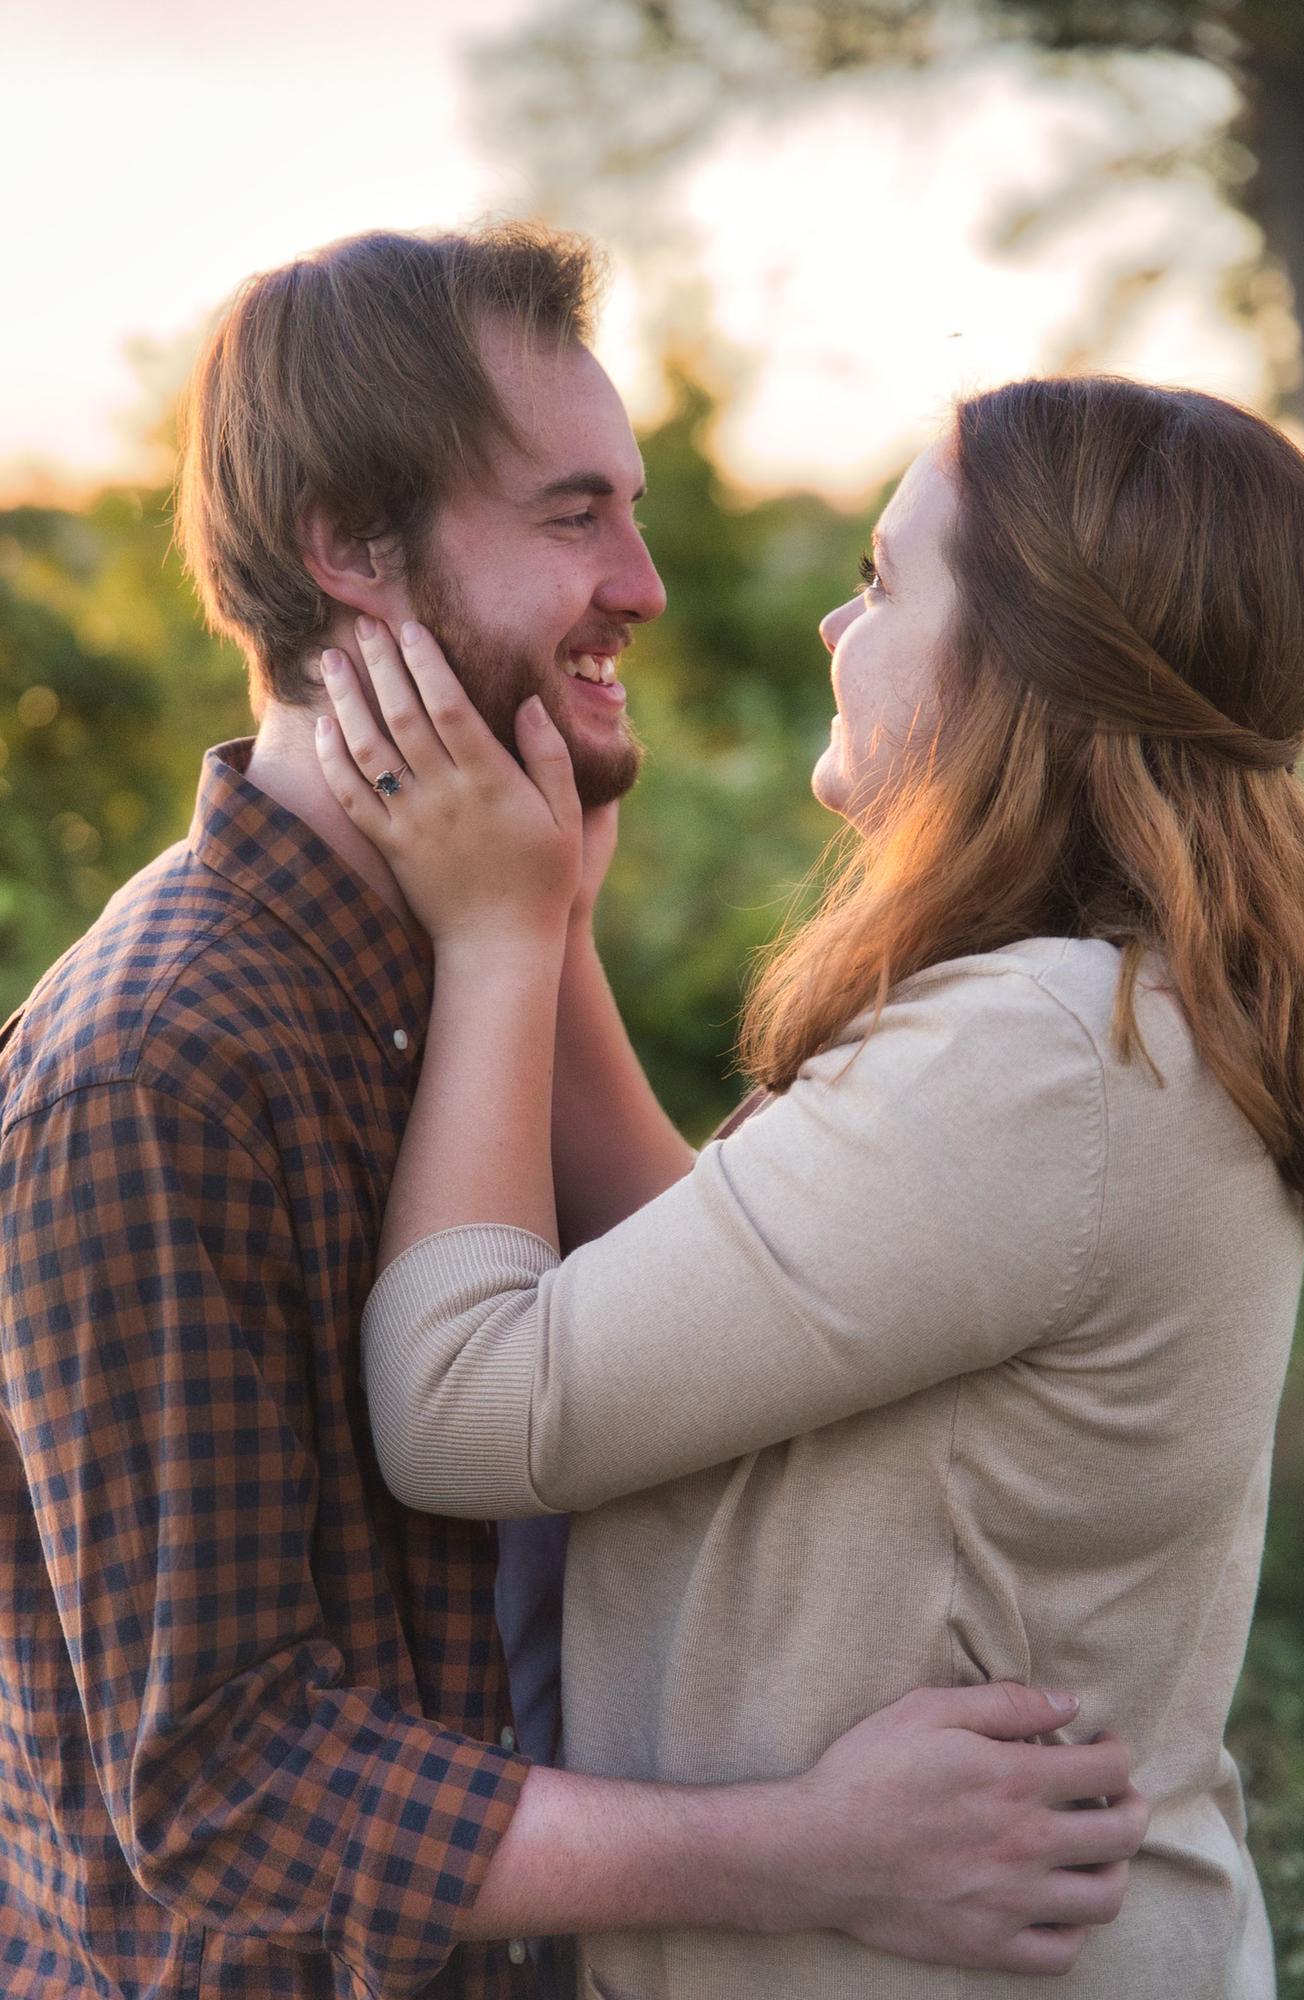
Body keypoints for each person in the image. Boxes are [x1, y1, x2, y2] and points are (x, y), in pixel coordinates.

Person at [0, 230, 1146, 2000]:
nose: (647, 582)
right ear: (349, 553)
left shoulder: (466, 962)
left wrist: (539, 942)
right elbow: (222, 1783)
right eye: (570, 516)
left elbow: (695, 1376)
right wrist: (808, 1850)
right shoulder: (162, 1067)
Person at [318, 372, 1304, 1999]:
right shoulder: (1110, 1010)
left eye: (881, 580)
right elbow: (715, 1312)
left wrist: (493, 944)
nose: (830, 628)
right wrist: (569, 935)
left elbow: (462, 1414)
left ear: (1026, 658)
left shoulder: (1041, 1062)